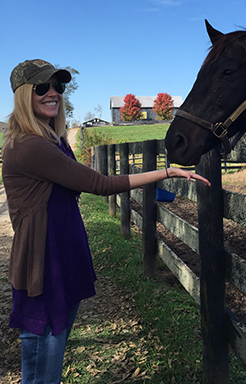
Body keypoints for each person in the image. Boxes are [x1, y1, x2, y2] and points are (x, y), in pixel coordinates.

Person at [2, 59, 210, 384]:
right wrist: (167, 172)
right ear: (23, 95)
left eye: (58, 86)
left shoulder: (49, 140)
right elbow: (100, 185)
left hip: (62, 256)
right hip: (44, 267)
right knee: (42, 371)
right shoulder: (29, 147)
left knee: (49, 363)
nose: (53, 93)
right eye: (43, 87)